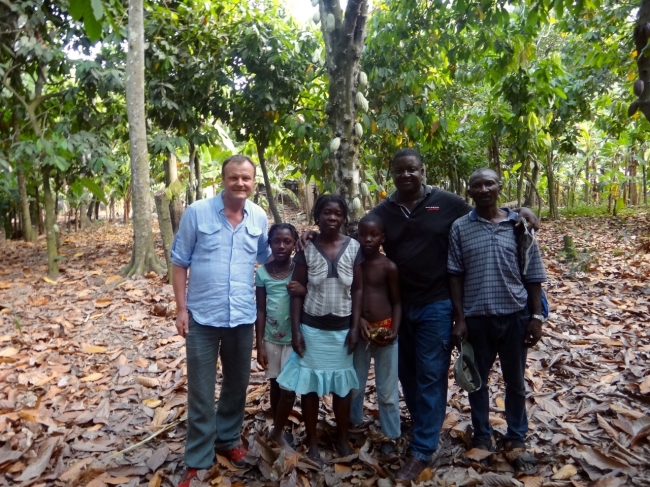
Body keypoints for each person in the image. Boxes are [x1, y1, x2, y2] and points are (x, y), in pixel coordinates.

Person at [369, 149, 539, 481]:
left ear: (423, 171)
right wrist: (312, 236)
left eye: (412, 170)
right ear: (391, 173)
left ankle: (422, 449)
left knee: (432, 375)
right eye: (399, 171)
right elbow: (360, 237)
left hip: (436, 303)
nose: (406, 175)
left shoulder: (446, 203)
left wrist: (523, 210)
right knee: (408, 374)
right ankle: (425, 426)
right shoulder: (383, 211)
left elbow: (488, 209)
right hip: (398, 306)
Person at [171, 155, 271, 487]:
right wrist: (181, 309)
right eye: (234, 178)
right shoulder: (197, 212)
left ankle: (228, 439)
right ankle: (198, 457)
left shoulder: (258, 215)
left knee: (236, 384)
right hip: (202, 314)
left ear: (252, 181)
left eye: (246, 178)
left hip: (242, 316)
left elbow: (268, 259)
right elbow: (179, 261)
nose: (240, 184)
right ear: (223, 178)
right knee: (200, 389)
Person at [447, 168, 547, 476]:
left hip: (515, 316)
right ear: (470, 191)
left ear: (499, 186)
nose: (484, 188)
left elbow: (533, 272)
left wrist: (536, 316)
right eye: (477, 185)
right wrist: (460, 319)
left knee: (515, 381)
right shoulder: (460, 227)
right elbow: (455, 274)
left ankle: (516, 438)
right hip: (478, 319)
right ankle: (483, 435)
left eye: (489, 183)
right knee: (477, 382)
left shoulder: (518, 224)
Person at [276, 194, 363, 465]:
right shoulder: (306, 248)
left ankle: (341, 438)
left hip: (342, 331)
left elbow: (358, 289)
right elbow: (296, 292)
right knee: (310, 389)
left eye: (338, 213)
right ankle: (312, 441)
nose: (333, 218)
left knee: (342, 390)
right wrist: (297, 332)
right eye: (327, 212)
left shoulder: (354, 247)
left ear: (344, 218)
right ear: (318, 216)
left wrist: (355, 327)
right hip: (312, 329)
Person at [350, 213, 402, 456]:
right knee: (355, 384)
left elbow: (397, 302)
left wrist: (394, 330)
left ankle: (391, 435)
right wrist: (357, 319)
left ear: (383, 237)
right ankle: (354, 425)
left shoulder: (388, 266)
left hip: (385, 333)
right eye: (363, 234)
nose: (367, 239)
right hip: (360, 333)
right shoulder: (353, 262)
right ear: (357, 235)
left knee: (388, 389)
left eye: (373, 235)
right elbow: (348, 295)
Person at [254, 223, 303, 445]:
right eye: (276, 241)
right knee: (275, 383)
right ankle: (277, 428)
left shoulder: (299, 269)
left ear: (294, 244)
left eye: (287, 241)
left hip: (294, 338)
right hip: (271, 338)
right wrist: (260, 345)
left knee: (289, 389)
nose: (281, 246)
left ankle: (278, 429)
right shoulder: (262, 272)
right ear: (269, 243)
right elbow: (261, 309)